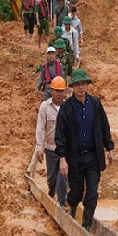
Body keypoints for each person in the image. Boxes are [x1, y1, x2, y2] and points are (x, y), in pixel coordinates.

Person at [55, 69, 114, 232]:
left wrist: (110, 148)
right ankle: (71, 205)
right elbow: (60, 134)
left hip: (93, 157)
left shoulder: (95, 104)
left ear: (87, 85)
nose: (81, 87)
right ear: (72, 87)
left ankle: (86, 226)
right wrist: (62, 158)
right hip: (75, 158)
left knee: (92, 192)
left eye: (83, 84)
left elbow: (104, 125)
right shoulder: (66, 108)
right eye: (78, 85)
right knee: (76, 192)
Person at [35, 76, 69, 210]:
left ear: (65, 91)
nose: (59, 94)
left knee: (63, 175)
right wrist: (39, 147)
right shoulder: (45, 107)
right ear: (51, 91)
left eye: (62, 91)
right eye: (57, 91)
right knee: (51, 178)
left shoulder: (68, 107)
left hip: (65, 150)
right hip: (50, 148)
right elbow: (40, 127)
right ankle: (51, 190)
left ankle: (62, 201)